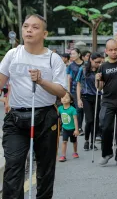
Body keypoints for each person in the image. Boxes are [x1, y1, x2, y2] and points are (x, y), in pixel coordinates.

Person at [0, 14, 66, 198]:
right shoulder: (12, 54)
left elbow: (61, 92)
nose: (29, 30)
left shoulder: (53, 59)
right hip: (16, 118)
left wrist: (42, 81)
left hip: (45, 118)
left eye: (35, 27)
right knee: (13, 165)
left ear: (44, 33)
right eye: (26, 26)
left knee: (45, 169)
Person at [96, 39, 117, 167]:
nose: (114, 52)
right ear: (106, 51)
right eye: (111, 50)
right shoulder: (103, 66)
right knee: (105, 127)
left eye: (116, 49)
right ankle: (106, 153)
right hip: (107, 101)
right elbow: (99, 88)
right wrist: (97, 79)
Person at [76, 53, 103, 151]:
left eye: (100, 62)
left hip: (97, 96)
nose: (98, 64)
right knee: (89, 120)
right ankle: (86, 140)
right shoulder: (82, 69)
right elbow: (78, 84)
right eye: (96, 62)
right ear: (91, 60)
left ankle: (93, 142)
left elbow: (101, 86)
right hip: (86, 97)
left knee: (96, 121)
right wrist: (79, 99)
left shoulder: (100, 70)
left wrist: (99, 79)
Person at [67, 48, 85, 135]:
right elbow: (69, 79)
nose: (72, 56)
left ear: (79, 54)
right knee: (78, 109)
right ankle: (79, 127)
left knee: (83, 109)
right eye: (71, 54)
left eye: (73, 54)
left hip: (85, 89)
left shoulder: (85, 64)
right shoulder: (70, 66)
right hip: (74, 89)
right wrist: (68, 91)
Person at [58, 92, 80, 162]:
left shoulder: (72, 109)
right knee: (64, 141)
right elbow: (57, 117)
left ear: (71, 101)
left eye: (66, 97)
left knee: (74, 141)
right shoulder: (60, 108)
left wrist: (76, 129)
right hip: (65, 129)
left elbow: (75, 120)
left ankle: (75, 152)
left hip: (72, 129)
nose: (64, 99)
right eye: (63, 97)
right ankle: (63, 155)